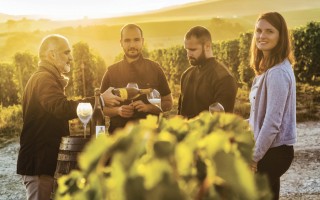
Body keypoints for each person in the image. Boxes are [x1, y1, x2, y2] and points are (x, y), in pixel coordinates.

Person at [16, 34, 122, 200]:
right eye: (66, 53)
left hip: (43, 162)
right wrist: (99, 99)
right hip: (38, 164)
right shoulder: (44, 78)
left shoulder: (45, 77)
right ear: (52, 54)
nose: (71, 58)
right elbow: (62, 108)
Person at [248, 12, 296, 200]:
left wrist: (254, 157)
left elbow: (273, 122)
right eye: (258, 30)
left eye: (269, 31)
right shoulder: (266, 70)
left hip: (274, 152)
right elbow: (260, 116)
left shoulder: (277, 73)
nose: (262, 36)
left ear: (280, 36)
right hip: (269, 150)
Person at [100, 24, 173, 134]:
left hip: (150, 137)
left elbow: (168, 103)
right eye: (127, 40)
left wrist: (148, 107)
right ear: (121, 43)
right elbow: (101, 107)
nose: (132, 45)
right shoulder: (111, 72)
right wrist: (118, 111)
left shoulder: (155, 69)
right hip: (118, 138)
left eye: (136, 40)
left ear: (142, 41)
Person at [178, 26, 238, 118]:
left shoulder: (224, 78)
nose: (189, 54)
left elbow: (220, 121)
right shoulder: (186, 75)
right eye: (187, 49)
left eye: (193, 50)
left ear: (207, 46)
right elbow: (180, 114)